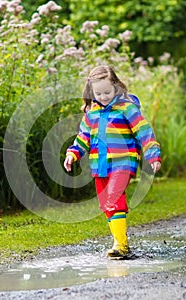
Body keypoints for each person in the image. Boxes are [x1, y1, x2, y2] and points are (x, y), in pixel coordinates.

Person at [63, 65, 161, 259]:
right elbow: (83, 137)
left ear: (116, 86)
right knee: (106, 204)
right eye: (98, 93)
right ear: (91, 91)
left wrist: (153, 155)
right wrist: (73, 154)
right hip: (100, 164)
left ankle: (121, 245)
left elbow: (144, 132)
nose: (103, 97)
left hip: (123, 163)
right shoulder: (91, 111)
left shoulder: (127, 108)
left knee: (114, 199)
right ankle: (120, 242)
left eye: (107, 92)